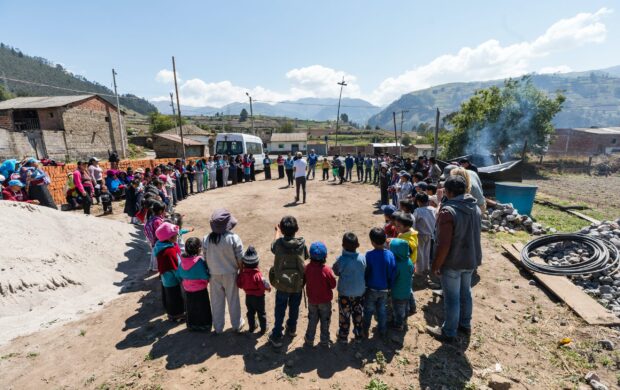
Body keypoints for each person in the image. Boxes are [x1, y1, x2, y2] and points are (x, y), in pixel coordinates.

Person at [427, 175, 482, 343]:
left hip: (453, 262)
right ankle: (465, 324)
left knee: (452, 298)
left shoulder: (447, 212)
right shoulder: (475, 207)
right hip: (470, 259)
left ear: (448, 192)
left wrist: (436, 265)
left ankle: (449, 331)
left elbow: (444, 245)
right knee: (466, 293)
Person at [268, 216, 309, 347]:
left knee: (280, 309)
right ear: (297, 229)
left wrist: (277, 231)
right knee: (294, 307)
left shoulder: (278, 244)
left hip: (281, 284)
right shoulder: (301, 245)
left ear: (281, 229)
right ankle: (292, 329)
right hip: (297, 284)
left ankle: (276, 335)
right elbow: (306, 257)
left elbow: (274, 245)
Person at [203, 209, 245, 334]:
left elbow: (205, 258)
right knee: (233, 300)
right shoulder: (233, 238)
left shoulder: (206, 239)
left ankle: (218, 327)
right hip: (230, 274)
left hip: (213, 274)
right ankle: (236, 324)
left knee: (216, 301)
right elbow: (240, 259)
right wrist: (241, 271)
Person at [363, 228, 397, 338]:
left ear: (372, 242)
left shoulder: (369, 255)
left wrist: (365, 284)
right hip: (384, 289)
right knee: (382, 310)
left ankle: (365, 330)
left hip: (371, 288)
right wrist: (390, 287)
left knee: (368, 310)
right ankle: (382, 330)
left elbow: (366, 272)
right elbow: (393, 272)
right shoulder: (390, 255)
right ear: (385, 239)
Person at [333, 232, 366, 343]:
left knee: (344, 315)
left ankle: (343, 336)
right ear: (358, 245)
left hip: (345, 294)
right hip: (360, 293)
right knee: (358, 314)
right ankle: (358, 335)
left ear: (343, 245)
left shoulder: (340, 259)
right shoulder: (362, 258)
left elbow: (336, 272)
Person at [303, 241, 336, 347]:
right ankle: (324, 341)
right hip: (325, 302)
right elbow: (333, 285)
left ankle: (309, 339)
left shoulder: (307, 268)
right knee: (325, 321)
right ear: (325, 256)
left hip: (312, 300)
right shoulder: (326, 270)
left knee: (312, 320)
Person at [177, 237, 212, 331]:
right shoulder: (199, 261)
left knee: (191, 308)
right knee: (202, 308)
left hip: (187, 290)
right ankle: (204, 326)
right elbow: (205, 276)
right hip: (200, 290)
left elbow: (179, 273)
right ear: (198, 249)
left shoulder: (182, 260)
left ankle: (192, 326)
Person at [154, 222, 185, 321]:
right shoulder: (170, 251)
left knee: (169, 297)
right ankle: (177, 316)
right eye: (175, 235)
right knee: (175, 299)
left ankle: (171, 314)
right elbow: (175, 267)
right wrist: (181, 279)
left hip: (165, 278)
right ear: (169, 238)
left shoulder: (159, 245)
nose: (177, 236)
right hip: (173, 279)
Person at [237, 246, 271, 334]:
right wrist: (268, 288)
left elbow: (239, 284)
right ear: (257, 263)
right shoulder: (257, 275)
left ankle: (252, 327)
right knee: (261, 313)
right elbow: (264, 284)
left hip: (248, 297)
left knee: (250, 313)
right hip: (259, 298)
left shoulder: (242, 274)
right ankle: (263, 329)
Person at [393, 211, 419, 314]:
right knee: (408, 287)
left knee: (405, 288)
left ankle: (406, 310)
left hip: (407, 266)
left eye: (398, 226)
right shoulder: (407, 233)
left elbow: (406, 251)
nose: (396, 228)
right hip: (407, 265)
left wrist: (394, 243)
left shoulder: (410, 238)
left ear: (406, 226)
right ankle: (412, 307)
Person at [389, 238, 414, 331]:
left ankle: (398, 325)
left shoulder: (396, 265)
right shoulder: (409, 262)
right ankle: (405, 319)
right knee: (405, 307)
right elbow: (412, 272)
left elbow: (393, 278)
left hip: (397, 293)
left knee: (397, 309)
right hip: (407, 291)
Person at [413, 193, 437, 277]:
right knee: (426, 252)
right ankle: (426, 268)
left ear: (418, 202)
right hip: (430, 234)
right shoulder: (433, 209)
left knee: (420, 253)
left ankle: (419, 271)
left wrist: (413, 233)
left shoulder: (418, 211)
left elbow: (413, 223)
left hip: (420, 234)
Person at [145, 201, 166, 271]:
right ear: (160, 211)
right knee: (157, 254)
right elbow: (160, 233)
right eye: (164, 210)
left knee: (153, 252)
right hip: (156, 240)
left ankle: (152, 266)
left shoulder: (152, 217)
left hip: (150, 238)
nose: (165, 212)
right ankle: (156, 267)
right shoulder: (158, 221)